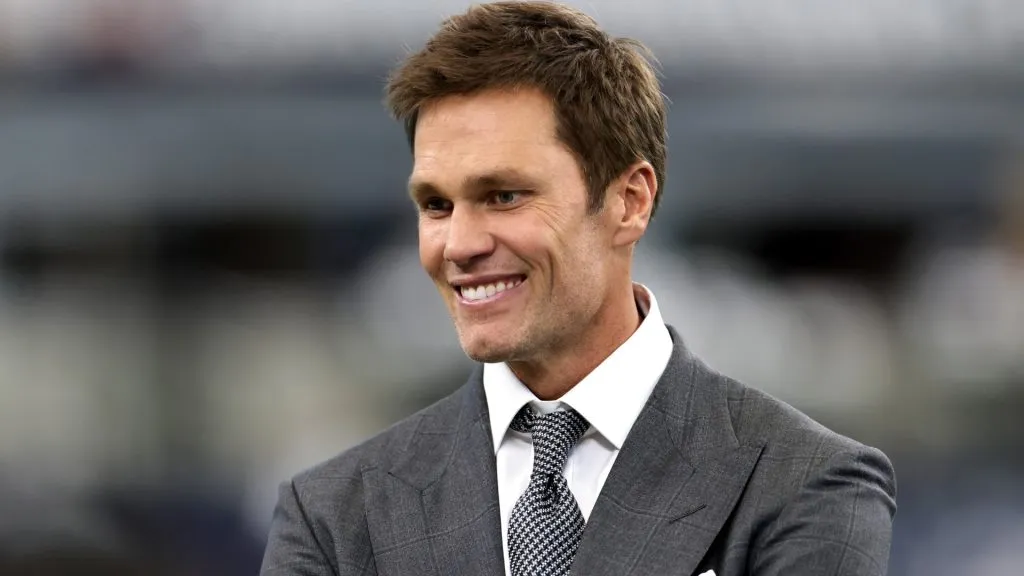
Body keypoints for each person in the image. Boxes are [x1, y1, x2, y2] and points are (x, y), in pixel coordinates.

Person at [260, 2, 897, 575]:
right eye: (436, 205)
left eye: (504, 196)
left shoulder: (808, 485)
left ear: (629, 201)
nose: (459, 244)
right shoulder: (332, 517)